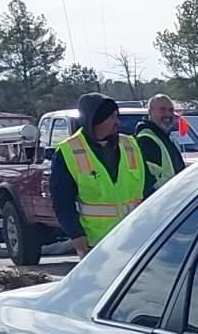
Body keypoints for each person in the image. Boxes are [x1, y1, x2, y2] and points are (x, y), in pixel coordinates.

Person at [48, 94, 152, 259]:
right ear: (95, 120)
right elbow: (63, 203)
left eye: (116, 116)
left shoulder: (130, 145)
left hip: (134, 238)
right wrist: (77, 236)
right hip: (97, 245)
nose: (117, 123)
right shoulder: (68, 151)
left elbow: (149, 190)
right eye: (111, 117)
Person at [137, 94, 186, 181]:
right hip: (164, 194)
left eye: (171, 110)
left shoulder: (167, 138)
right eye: (162, 110)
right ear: (150, 111)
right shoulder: (146, 140)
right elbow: (150, 182)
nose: (167, 114)